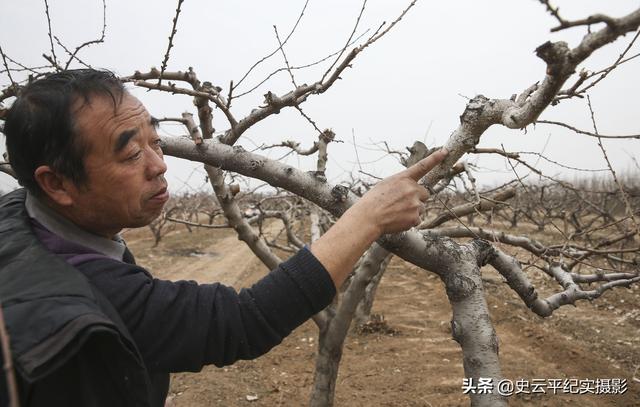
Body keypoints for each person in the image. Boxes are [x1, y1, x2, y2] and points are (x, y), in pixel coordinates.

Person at [0, 69, 447, 407]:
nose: (158, 165)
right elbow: (243, 322)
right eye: (132, 153)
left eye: (155, 142)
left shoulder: (19, 220)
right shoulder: (82, 298)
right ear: (56, 184)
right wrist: (367, 217)